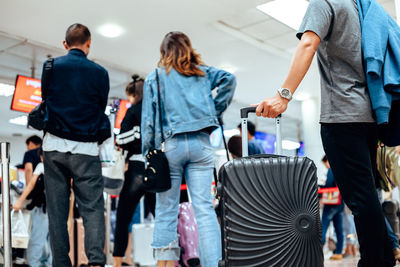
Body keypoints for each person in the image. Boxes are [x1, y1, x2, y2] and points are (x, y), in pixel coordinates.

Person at [254, 1, 396, 266]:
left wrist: (283, 95)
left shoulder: (325, 2)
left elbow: (309, 43)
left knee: (361, 201)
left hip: (342, 116)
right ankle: (385, 258)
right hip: (371, 116)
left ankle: (376, 262)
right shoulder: (363, 8)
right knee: (367, 197)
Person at [142, 31, 236, 267]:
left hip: (171, 145)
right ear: (188, 48)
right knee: (204, 210)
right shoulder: (202, 72)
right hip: (201, 145)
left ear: (164, 52)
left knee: (166, 210)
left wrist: (149, 152)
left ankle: (165, 264)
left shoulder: (155, 77)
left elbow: (149, 121)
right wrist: (213, 112)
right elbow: (229, 79)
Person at [42, 23, 110, 267]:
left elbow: (46, 100)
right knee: (92, 209)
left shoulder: (50, 66)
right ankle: (95, 262)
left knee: (57, 212)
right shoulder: (100, 73)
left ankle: (61, 262)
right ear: (89, 44)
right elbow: (100, 107)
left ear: (65, 44)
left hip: (54, 148)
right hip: (86, 148)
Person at [113, 75, 156, 267]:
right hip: (156, 167)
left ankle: (116, 262)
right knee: (162, 218)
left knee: (123, 218)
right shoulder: (156, 111)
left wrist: (136, 133)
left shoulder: (132, 112)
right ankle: (169, 261)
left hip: (137, 167)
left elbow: (121, 140)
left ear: (133, 95)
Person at [14, 148, 52, 267]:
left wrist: (19, 202)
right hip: (56, 210)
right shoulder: (60, 166)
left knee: (36, 241)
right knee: (51, 242)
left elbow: (31, 185)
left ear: (42, 156)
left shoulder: (42, 165)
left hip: (42, 208)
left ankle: (34, 265)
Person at [320, 155, 344, 260]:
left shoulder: (331, 170)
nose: (325, 166)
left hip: (331, 204)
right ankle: (338, 252)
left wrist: (320, 188)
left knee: (323, 227)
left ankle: (318, 249)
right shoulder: (340, 170)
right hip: (340, 203)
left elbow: (329, 185)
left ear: (328, 161)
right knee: (339, 229)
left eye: (325, 163)